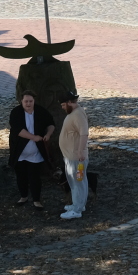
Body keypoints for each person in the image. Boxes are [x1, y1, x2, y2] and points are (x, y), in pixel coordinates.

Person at [8, 91, 55, 211]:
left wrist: (48, 134)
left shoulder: (40, 111)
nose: (28, 104)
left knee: (35, 176)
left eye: (31, 101)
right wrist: (34, 137)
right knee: (21, 175)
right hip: (20, 150)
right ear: (21, 101)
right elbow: (18, 130)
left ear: (34, 101)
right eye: (26, 101)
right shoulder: (16, 112)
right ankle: (23, 196)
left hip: (35, 151)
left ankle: (36, 200)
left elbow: (51, 124)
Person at [56, 91, 90, 219]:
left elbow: (84, 134)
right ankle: (79, 204)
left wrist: (80, 151)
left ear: (69, 102)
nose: (62, 107)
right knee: (77, 181)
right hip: (71, 156)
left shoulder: (78, 115)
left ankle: (77, 210)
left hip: (76, 157)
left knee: (78, 182)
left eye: (63, 105)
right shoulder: (75, 112)